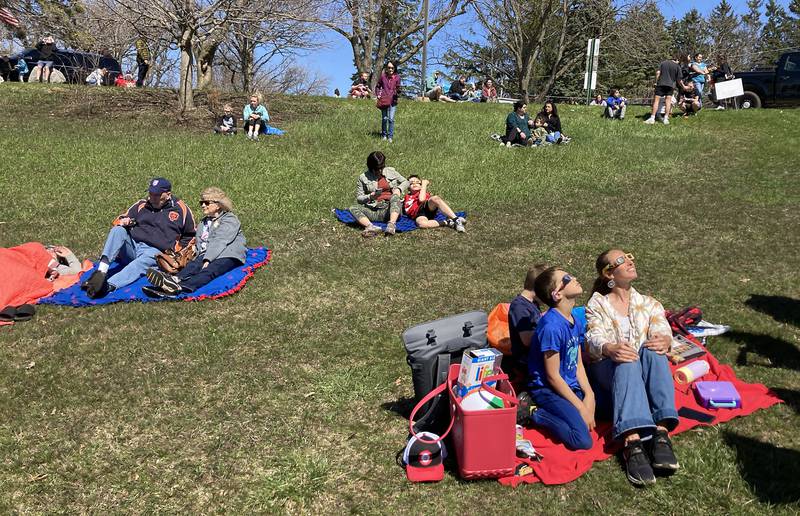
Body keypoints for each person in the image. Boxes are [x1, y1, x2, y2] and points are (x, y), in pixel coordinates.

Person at [585, 249, 679, 486]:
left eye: (630, 256)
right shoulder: (598, 304)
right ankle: (632, 442)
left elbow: (662, 328)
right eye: (621, 260)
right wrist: (609, 347)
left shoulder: (648, 303)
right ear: (609, 274)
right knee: (625, 359)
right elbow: (593, 337)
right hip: (611, 371)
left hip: (642, 372)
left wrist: (666, 340)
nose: (630, 261)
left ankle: (661, 432)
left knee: (654, 350)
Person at [80, 178, 196, 298]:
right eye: (151, 193)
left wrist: (178, 252)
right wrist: (124, 221)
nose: (152, 197)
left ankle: (108, 286)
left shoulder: (181, 209)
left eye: (157, 195)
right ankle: (101, 272)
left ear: (168, 194)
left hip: (155, 253)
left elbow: (191, 234)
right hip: (133, 246)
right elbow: (120, 219)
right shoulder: (142, 204)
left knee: (141, 262)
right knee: (118, 230)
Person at [520, 267, 595, 451]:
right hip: (547, 390)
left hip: (569, 386)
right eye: (566, 278)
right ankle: (534, 413)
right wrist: (581, 408)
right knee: (582, 440)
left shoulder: (574, 320)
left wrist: (589, 395)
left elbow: (577, 364)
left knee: (604, 409)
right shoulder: (552, 327)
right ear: (557, 294)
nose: (574, 277)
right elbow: (552, 376)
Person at [143, 187, 246, 298]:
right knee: (193, 265)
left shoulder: (229, 219)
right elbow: (199, 242)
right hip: (206, 253)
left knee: (210, 270)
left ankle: (181, 287)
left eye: (206, 202)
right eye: (201, 202)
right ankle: (173, 280)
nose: (202, 205)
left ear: (218, 204)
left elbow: (220, 241)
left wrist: (207, 259)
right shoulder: (204, 222)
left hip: (228, 254)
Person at [348, 151, 408, 237]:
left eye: (381, 168)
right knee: (352, 208)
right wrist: (370, 196)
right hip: (374, 210)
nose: (379, 171)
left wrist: (399, 189)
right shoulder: (363, 177)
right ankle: (371, 227)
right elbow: (359, 199)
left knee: (395, 197)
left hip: (391, 209)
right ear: (370, 167)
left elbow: (406, 181)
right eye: (376, 169)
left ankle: (391, 225)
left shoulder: (391, 171)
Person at [508, 264, 547, 372]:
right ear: (540, 287)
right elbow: (527, 340)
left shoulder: (533, 303)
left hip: (535, 356)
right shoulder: (519, 307)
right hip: (526, 362)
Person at [644, 53, 682, 125]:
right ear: (677, 60)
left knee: (656, 101)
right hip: (670, 85)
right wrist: (683, 87)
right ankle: (665, 119)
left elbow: (658, 73)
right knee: (668, 101)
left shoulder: (663, 63)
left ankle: (652, 118)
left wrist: (656, 82)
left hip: (661, 84)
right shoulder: (677, 66)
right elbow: (679, 79)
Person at [375, 62, 400, 143]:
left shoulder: (397, 77)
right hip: (384, 99)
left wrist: (398, 91)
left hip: (393, 100)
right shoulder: (383, 77)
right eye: (389, 67)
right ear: (386, 68)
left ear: (394, 68)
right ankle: (384, 135)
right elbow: (378, 86)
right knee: (385, 118)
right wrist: (378, 95)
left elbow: (398, 87)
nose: (390, 69)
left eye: (392, 68)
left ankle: (390, 136)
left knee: (391, 119)